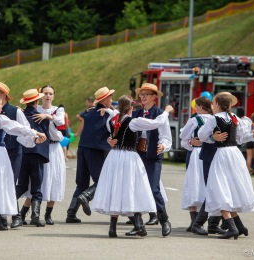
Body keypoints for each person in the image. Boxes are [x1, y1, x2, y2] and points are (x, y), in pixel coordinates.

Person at [91, 95, 174, 237]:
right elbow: (156, 123)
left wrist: (110, 139)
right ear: (131, 108)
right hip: (129, 156)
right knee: (134, 188)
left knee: (116, 188)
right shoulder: (133, 121)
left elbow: (112, 130)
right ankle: (139, 224)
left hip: (114, 157)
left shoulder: (112, 120)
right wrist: (166, 111)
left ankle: (114, 228)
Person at [0, 94, 45, 231]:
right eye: (0, 105)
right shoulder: (0, 118)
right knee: (0, 182)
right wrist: (35, 133)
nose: (2, 107)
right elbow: (17, 127)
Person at [198, 94, 254, 240]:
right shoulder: (234, 118)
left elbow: (201, 135)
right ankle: (240, 226)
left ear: (217, 104)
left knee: (220, 188)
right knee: (230, 188)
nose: (212, 105)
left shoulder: (214, 118)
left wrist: (212, 138)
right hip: (235, 155)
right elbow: (239, 139)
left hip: (223, 155)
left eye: (213, 103)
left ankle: (232, 228)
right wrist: (251, 136)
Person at [123, 83, 172, 237]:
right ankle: (138, 224)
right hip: (136, 155)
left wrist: (163, 146)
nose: (142, 97)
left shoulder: (159, 114)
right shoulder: (135, 113)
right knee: (135, 187)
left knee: (154, 188)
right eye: (141, 94)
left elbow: (166, 136)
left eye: (146, 94)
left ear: (154, 97)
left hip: (152, 155)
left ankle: (164, 220)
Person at [66, 87, 114, 223]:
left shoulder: (89, 112)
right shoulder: (106, 114)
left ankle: (71, 213)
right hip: (96, 149)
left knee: (81, 183)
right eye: (110, 97)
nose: (112, 100)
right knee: (102, 180)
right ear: (104, 100)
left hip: (82, 148)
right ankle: (86, 197)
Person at [20, 86, 66, 225]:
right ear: (40, 96)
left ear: (53, 96)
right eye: (45, 93)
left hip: (54, 147)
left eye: (50, 93)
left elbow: (60, 121)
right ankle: (23, 213)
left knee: (54, 180)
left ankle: (48, 214)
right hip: (40, 146)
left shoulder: (58, 110)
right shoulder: (35, 109)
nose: (47, 96)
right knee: (37, 181)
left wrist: (48, 116)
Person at [15, 89, 51, 227]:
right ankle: (35, 216)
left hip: (22, 153)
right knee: (37, 185)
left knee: (22, 184)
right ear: (36, 102)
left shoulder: (20, 115)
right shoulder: (42, 117)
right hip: (37, 153)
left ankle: (11, 209)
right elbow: (47, 135)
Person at [179, 97, 213, 232]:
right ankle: (199, 221)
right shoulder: (214, 119)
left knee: (194, 184)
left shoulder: (194, 120)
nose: (194, 108)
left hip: (198, 154)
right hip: (210, 154)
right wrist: (191, 142)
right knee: (205, 185)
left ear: (200, 107)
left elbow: (182, 135)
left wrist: (190, 142)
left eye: (196, 106)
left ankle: (195, 221)